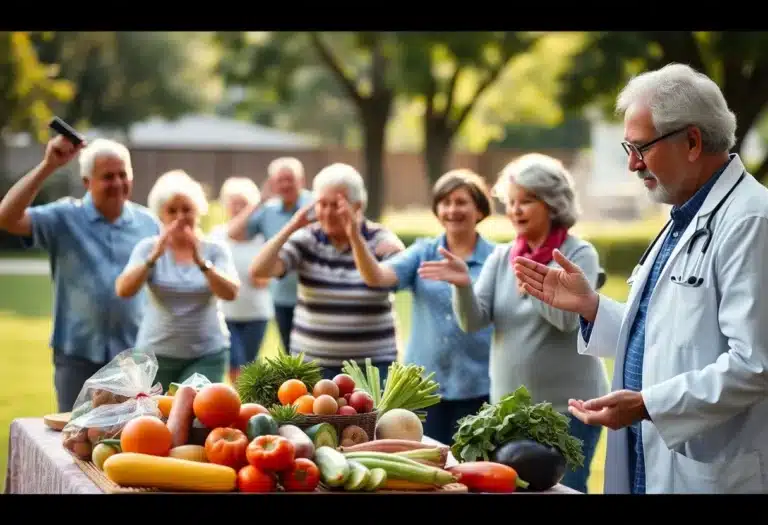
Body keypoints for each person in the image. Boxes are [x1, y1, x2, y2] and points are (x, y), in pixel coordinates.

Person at [513, 63, 768, 494]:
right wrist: (591, 306)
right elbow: (668, 335)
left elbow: (755, 364)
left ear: (691, 141)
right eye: (627, 147)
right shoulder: (684, 217)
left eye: (640, 147)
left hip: (711, 467)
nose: (632, 164)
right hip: (649, 454)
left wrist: (649, 404)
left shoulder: (751, 221)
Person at [418, 153, 609, 493]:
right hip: (511, 413)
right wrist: (462, 285)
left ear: (552, 203)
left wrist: (534, 285)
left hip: (570, 411)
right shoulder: (503, 256)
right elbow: (473, 322)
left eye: (527, 201)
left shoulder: (579, 255)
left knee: (565, 490)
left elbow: (568, 321)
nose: (516, 210)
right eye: (512, 202)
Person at [0, 136, 160, 412]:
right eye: (108, 176)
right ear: (87, 182)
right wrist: (49, 165)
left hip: (133, 355)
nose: (118, 183)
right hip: (77, 353)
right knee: (75, 436)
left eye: (124, 175)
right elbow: (7, 217)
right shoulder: (63, 217)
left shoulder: (149, 224)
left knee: (130, 440)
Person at [344, 169, 496, 446]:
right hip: (426, 386)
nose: (452, 209)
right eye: (445, 202)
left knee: (473, 467)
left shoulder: (496, 259)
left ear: (479, 209)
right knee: (427, 464)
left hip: (479, 385)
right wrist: (355, 236)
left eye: (461, 202)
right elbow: (376, 277)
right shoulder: (423, 252)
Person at [248, 163, 404, 382]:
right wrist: (292, 226)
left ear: (357, 207)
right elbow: (260, 269)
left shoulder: (382, 241)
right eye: (322, 204)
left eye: (336, 205)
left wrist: (354, 236)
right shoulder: (307, 239)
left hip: (373, 366)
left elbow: (381, 281)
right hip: (313, 366)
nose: (328, 213)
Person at [115, 170, 240, 390]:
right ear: (161, 215)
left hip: (207, 353)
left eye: (187, 209)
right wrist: (153, 257)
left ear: (198, 212)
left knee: (199, 416)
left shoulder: (214, 249)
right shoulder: (148, 248)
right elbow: (124, 290)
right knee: (153, 419)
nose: (180, 216)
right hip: (155, 354)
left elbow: (230, 292)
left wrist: (201, 263)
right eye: (172, 210)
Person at [227, 157, 313, 354]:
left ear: (301, 180)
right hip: (282, 297)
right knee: (292, 355)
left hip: (313, 295)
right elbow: (234, 233)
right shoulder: (268, 210)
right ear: (272, 184)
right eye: (279, 180)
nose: (285, 185)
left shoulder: (315, 205)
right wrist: (258, 200)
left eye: (290, 179)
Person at [209, 177, 274, 382]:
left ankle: (246, 406)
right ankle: (240, 406)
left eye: (243, 204)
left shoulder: (262, 238)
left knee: (248, 365)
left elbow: (264, 280)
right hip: (226, 314)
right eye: (234, 203)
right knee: (235, 364)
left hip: (256, 314)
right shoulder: (218, 236)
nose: (238, 208)